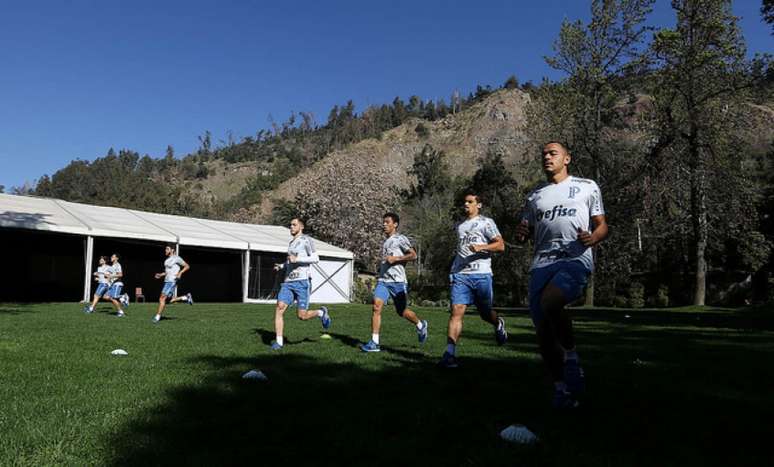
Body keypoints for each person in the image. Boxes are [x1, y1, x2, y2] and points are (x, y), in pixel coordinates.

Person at [515, 141, 608, 409]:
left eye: (553, 153)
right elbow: (525, 231)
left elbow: (602, 226)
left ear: (567, 159)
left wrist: (593, 238)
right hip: (541, 264)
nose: (547, 157)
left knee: (551, 302)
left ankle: (571, 357)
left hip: (574, 258)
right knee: (543, 332)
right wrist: (522, 234)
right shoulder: (535, 196)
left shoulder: (587, 186)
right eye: (544, 154)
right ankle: (561, 390)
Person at [438, 193, 507, 368]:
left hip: (482, 274)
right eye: (464, 202)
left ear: (479, 204)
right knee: (456, 311)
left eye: (470, 202)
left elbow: (500, 245)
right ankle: (449, 353)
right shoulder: (460, 226)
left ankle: (498, 322)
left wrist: (481, 246)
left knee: (485, 313)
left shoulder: (486, 222)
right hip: (461, 274)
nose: (466, 205)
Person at [360, 212, 428, 352]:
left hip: (397, 282)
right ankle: (374, 342)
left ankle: (420, 325)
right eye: (383, 222)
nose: (384, 224)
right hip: (384, 280)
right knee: (376, 306)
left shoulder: (400, 239)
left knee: (401, 311)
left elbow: (413, 255)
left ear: (395, 224)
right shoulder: (385, 241)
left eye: (387, 222)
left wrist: (396, 259)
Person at [271, 218, 331, 350]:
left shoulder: (306, 240)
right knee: (280, 307)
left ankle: (321, 313)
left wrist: (297, 258)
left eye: (294, 225)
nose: (291, 227)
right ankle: (279, 342)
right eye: (290, 225)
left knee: (302, 316)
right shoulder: (291, 243)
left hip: (302, 282)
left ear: (301, 227)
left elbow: (316, 258)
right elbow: (290, 262)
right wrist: (281, 266)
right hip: (288, 282)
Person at [152, 245, 193, 323]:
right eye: (165, 249)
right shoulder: (166, 260)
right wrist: (161, 274)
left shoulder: (177, 258)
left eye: (167, 249)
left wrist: (180, 273)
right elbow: (167, 272)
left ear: (172, 250)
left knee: (162, 298)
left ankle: (157, 317)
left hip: (172, 281)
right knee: (168, 300)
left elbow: (187, 266)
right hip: (167, 281)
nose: (165, 250)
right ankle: (186, 297)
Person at [107, 253, 128, 317]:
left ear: (117, 258)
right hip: (113, 284)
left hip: (117, 283)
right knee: (107, 297)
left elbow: (120, 275)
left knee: (113, 297)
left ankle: (123, 296)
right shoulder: (112, 266)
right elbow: (109, 275)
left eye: (113, 256)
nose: (111, 257)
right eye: (111, 256)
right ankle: (120, 311)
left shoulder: (117, 265)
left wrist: (111, 276)